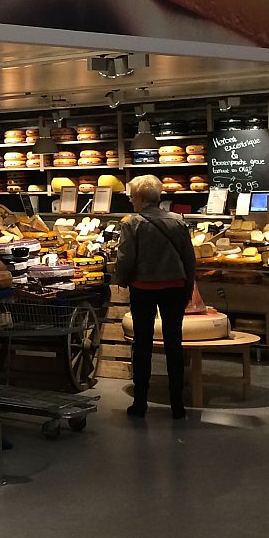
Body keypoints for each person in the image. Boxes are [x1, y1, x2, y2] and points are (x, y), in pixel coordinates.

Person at [112, 175, 197, 420]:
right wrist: (187, 287)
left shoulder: (133, 224)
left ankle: (140, 403)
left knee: (142, 345)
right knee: (173, 344)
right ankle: (177, 405)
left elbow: (125, 258)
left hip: (143, 289)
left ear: (140, 197)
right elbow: (189, 259)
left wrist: (121, 280)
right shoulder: (177, 221)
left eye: (132, 197)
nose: (131, 201)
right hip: (174, 288)